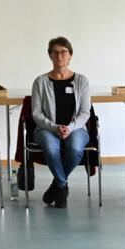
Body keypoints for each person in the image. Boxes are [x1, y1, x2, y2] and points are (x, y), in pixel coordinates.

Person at [30, 36, 91, 208]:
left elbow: (85, 112)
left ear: (70, 55)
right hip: (46, 128)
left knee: (75, 147)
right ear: (49, 55)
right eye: (55, 52)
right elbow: (36, 113)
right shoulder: (40, 82)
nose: (59, 56)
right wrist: (55, 127)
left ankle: (57, 184)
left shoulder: (81, 81)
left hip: (76, 128)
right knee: (51, 147)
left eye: (64, 52)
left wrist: (70, 128)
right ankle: (62, 185)